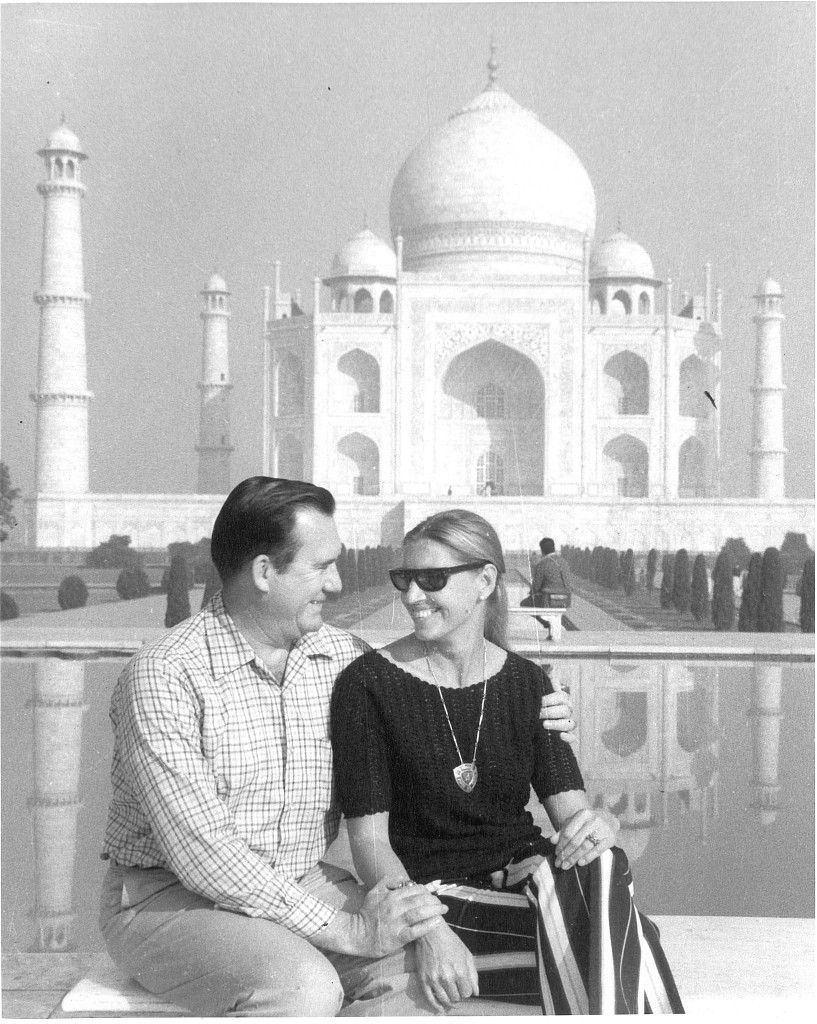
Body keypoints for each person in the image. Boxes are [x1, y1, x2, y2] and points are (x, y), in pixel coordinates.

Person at [99, 477, 576, 1017]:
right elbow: (205, 855)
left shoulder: (339, 659)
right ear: (263, 571)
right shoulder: (165, 674)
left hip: (303, 881)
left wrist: (543, 706)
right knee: (303, 988)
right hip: (172, 900)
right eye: (321, 566)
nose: (337, 582)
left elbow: (440, 698)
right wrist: (348, 929)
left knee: (434, 981)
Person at [331, 510, 684, 1015]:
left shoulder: (526, 682)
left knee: (603, 862)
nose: (411, 596)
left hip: (523, 882)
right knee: (627, 934)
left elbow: (574, 817)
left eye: (431, 580)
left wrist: (601, 824)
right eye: (403, 579)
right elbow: (370, 844)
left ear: (486, 581)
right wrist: (430, 933)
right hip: (434, 897)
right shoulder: (369, 684)